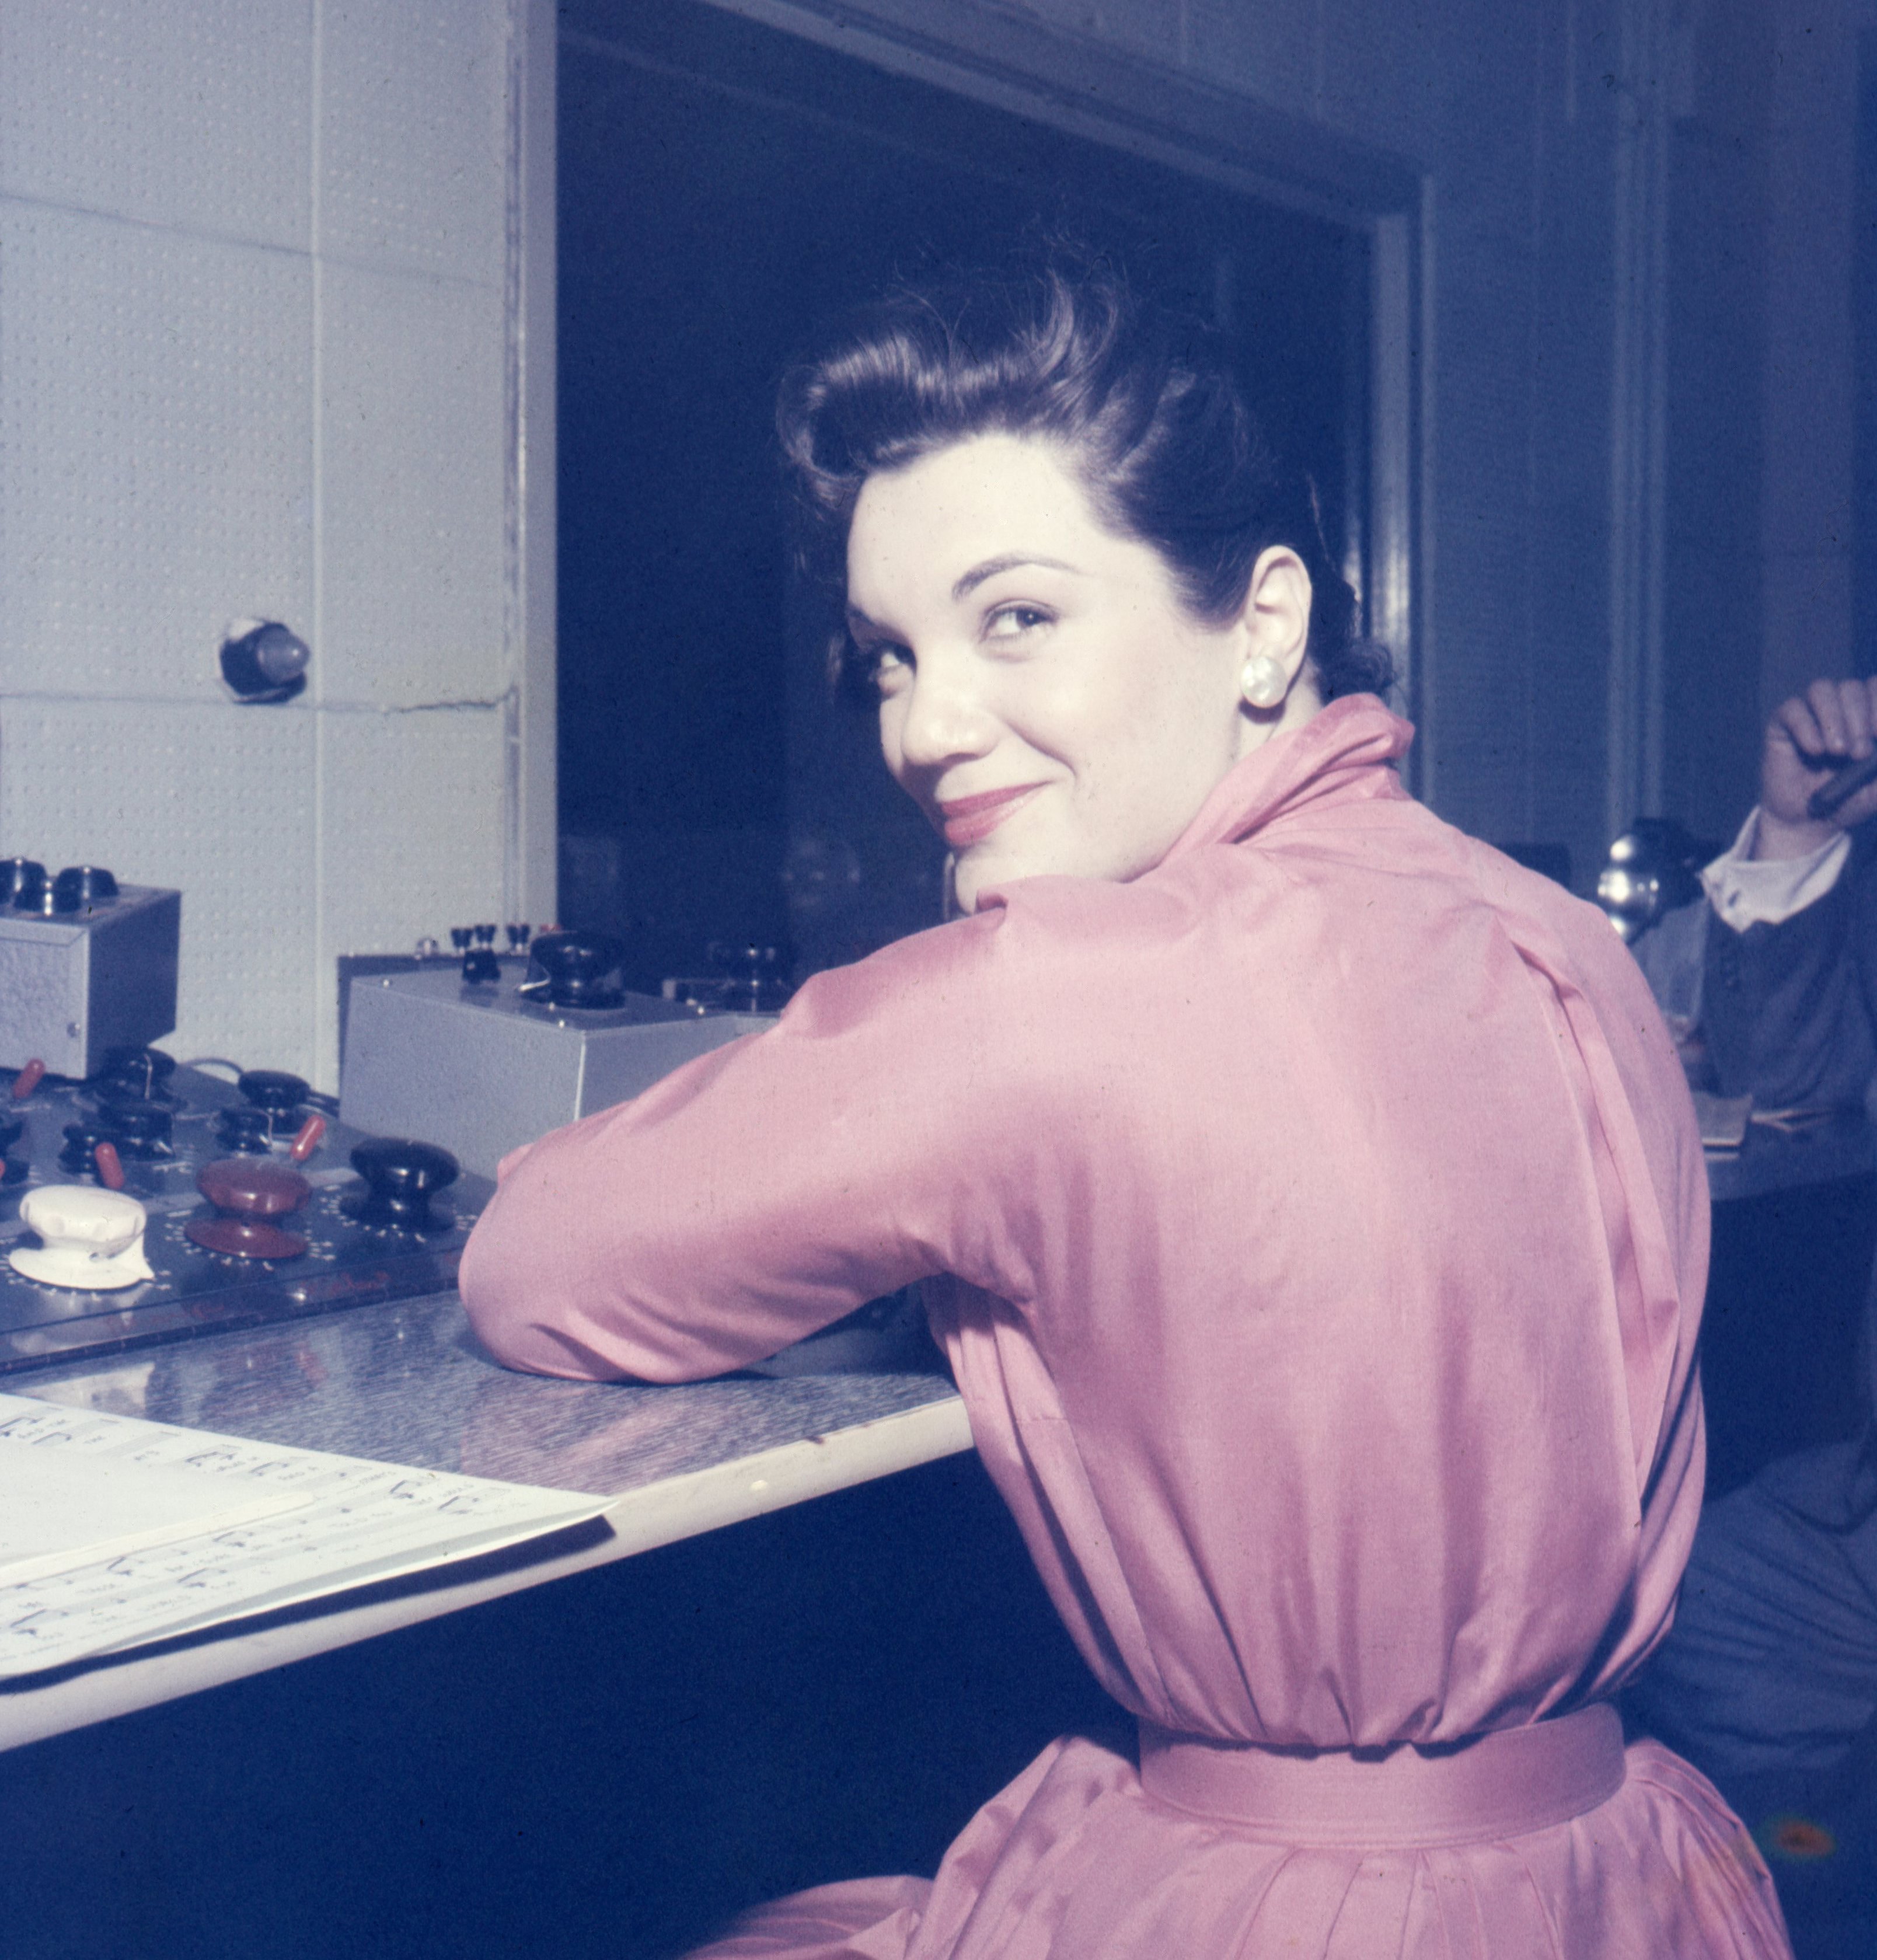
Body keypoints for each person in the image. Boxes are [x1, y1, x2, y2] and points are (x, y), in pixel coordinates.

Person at [459, 259, 1789, 1957]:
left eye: (1016, 617)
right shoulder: (1569, 944)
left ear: (1264, 622)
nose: (928, 727)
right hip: (1624, 1872)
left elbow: (536, 1258)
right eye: (887, 656)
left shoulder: (1057, 987)